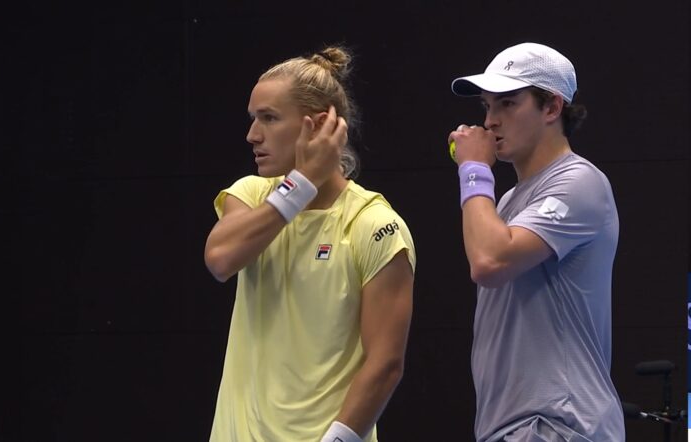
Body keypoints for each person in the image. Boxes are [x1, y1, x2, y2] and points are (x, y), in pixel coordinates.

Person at [204, 46, 416, 442]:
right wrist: (300, 185)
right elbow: (220, 259)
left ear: (318, 126)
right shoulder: (250, 195)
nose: (252, 135)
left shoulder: (374, 224)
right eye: (253, 119)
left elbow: (385, 363)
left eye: (268, 118)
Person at [447, 42, 624, 441]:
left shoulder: (580, 182)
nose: (490, 121)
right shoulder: (508, 202)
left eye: (507, 104)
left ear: (551, 108)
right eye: (487, 107)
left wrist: (474, 168)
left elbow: (489, 263)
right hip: (513, 425)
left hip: (557, 424)